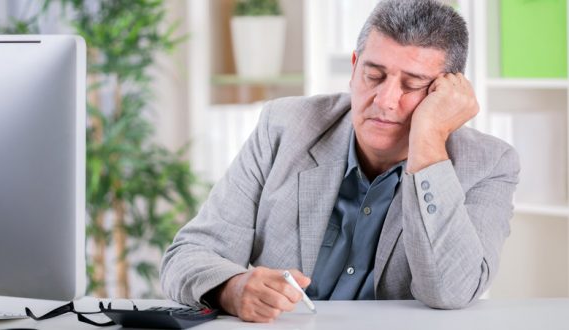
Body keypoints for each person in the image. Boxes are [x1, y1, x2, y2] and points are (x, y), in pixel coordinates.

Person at [161, 0, 519, 323]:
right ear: (353, 67)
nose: (385, 100)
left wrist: (427, 141)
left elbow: (451, 292)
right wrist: (233, 288)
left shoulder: (490, 164)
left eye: (412, 85)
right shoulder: (285, 127)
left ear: (445, 93)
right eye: (374, 75)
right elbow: (187, 256)